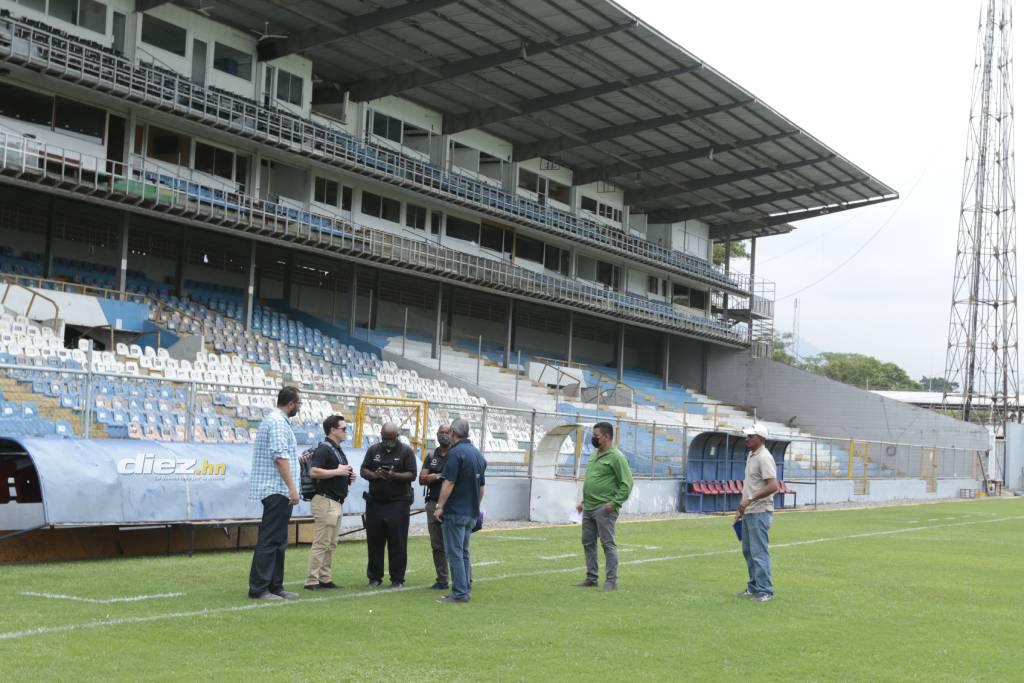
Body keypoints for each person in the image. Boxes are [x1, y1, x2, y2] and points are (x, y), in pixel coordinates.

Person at [248, 386, 302, 601]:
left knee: (279, 540)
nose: (299, 407)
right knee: (270, 540)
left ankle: (275, 585)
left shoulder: (276, 421)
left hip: (278, 489)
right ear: (290, 404)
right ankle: (259, 588)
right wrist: (292, 488)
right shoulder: (278, 423)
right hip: (277, 489)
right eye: (298, 404)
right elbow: (280, 457)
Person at [433, 418, 486, 604]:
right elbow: (481, 489)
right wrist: (474, 505)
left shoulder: (455, 454)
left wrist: (439, 506)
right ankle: (465, 585)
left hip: (455, 511)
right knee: (463, 551)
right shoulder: (477, 455)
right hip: (471, 511)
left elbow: (449, 482)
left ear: (453, 433)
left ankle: (460, 592)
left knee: (454, 552)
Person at [575, 421, 633, 592]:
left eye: (596, 436)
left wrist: (614, 504)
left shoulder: (617, 457)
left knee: (608, 544)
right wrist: (584, 502)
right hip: (589, 507)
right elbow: (593, 480)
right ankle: (591, 578)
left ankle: (611, 581)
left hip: (604, 508)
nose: (593, 439)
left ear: (606, 437)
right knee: (588, 542)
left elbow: (627, 483)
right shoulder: (594, 454)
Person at [360, 422, 417, 588]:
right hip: (375, 502)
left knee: (398, 542)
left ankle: (397, 578)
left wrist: (394, 475)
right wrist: (374, 474)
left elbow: (412, 474)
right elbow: (363, 470)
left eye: (390, 439)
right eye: (384, 439)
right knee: (374, 541)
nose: (387, 442)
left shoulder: (406, 451)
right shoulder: (373, 450)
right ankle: (374, 577)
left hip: (398, 503)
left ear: (397, 437)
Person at [303, 415, 356, 591]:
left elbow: (339, 472)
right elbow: (314, 471)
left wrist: (348, 476)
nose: (346, 432)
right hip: (325, 500)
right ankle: (312, 580)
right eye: (343, 429)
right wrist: (337, 471)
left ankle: (325, 578)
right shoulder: (324, 449)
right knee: (321, 542)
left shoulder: (337, 450)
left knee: (331, 543)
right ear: (333, 430)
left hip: (335, 500)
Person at [734, 423, 779, 602]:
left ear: (760, 439)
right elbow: (751, 485)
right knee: (748, 551)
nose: (747, 439)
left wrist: (750, 500)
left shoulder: (764, 457)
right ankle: (753, 587)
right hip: (749, 511)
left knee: (759, 552)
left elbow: (773, 485)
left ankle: (765, 590)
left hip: (760, 511)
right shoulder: (752, 455)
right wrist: (741, 507)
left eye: (750, 436)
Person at [419, 422, 452, 590]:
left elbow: (455, 478)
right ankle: (442, 579)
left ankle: (464, 578)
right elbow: (421, 479)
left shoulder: (456, 454)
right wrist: (431, 477)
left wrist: (436, 476)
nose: (443, 435)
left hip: (452, 505)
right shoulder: (431, 455)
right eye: (441, 432)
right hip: (432, 503)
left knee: (456, 543)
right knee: (437, 545)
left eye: (447, 432)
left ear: (452, 434)